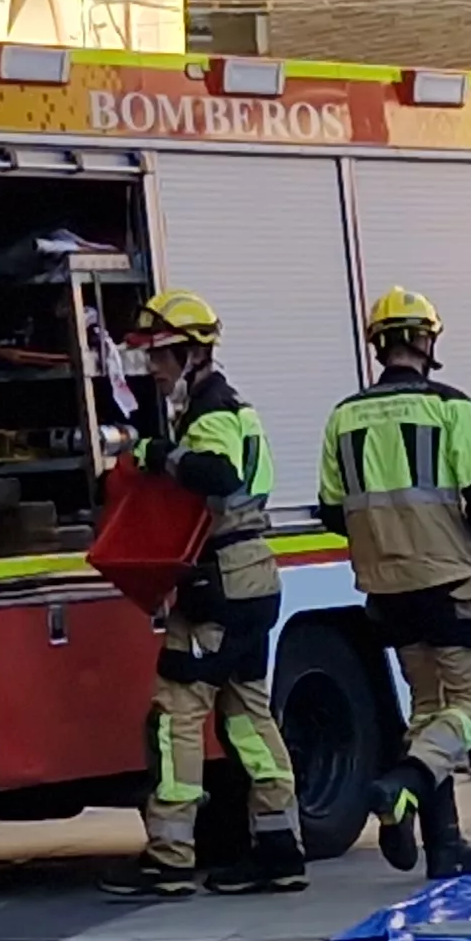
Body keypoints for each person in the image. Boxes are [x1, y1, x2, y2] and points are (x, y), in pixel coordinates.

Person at [103, 291, 306, 899]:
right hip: (251, 580)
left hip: (219, 583)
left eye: (161, 356)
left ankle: (169, 857)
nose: (153, 369)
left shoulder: (211, 412)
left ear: (191, 353)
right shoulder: (230, 408)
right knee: (248, 718)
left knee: (177, 717)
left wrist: (153, 454)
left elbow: (216, 474)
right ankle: (279, 849)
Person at [319, 287, 471, 879]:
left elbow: (330, 510)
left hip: (384, 588)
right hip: (447, 577)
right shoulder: (452, 408)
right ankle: (404, 784)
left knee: (427, 707)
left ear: (378, 344)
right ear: (427, 341)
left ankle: (443, 845)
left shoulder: (343, 416)